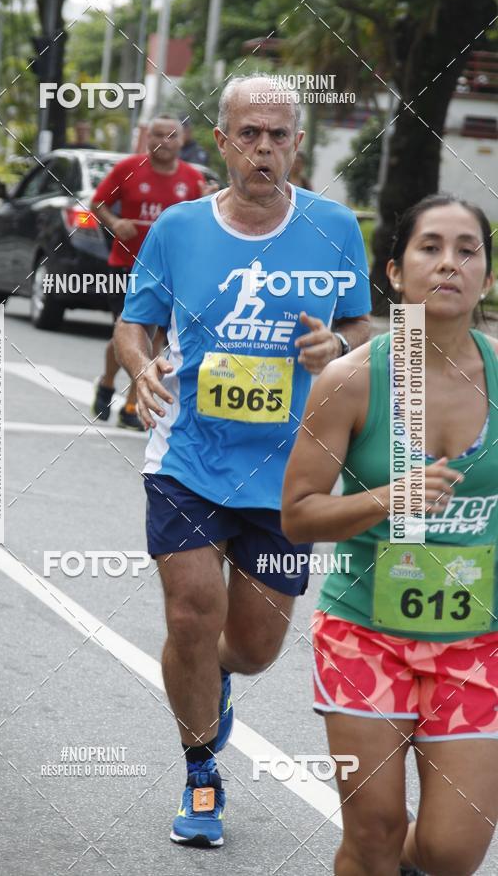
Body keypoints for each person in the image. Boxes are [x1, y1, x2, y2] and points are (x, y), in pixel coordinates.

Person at [114, 74, 371, 847]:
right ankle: (200, 771)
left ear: (299, 143)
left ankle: (216, 674)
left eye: (278, 135)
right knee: (191, 612)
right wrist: (140, 367)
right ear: (222, 141)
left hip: (291, 469)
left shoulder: (334, 227)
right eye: (249, 134)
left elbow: (365, 329)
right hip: (187, 456)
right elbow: (134, 324)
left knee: (254, 647)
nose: (264, 148)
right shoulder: (178, 229)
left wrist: (339, 345)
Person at [282, 194, 498, 876]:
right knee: (373, 835)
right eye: (430, 247)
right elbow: (297, 514)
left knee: (451, 852)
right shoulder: (348, 380)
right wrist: (388, 498)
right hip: (364, 634)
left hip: (479, 640)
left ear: (488, 277)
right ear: (396, 272)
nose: (449, 263)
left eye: (467, 250)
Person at [90, 113, 205, 430]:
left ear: (182, 140)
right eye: (157, 134)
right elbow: (97, 203)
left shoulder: (192, 179)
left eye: (171, 135)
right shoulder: (127, 169)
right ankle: (107, 381)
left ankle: (132, 405)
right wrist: (115, 223)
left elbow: (204, 220)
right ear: (147, 138)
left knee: (155, 339)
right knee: (127, 330)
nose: (163, 141)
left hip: (170, 271)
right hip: (126, 264)